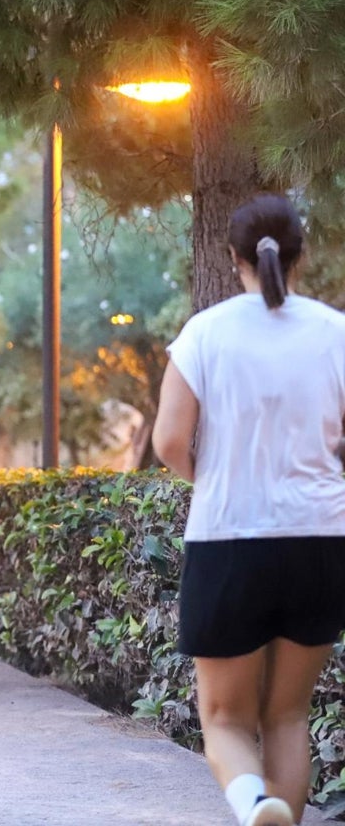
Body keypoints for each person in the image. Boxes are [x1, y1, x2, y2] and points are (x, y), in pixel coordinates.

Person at [152, 193, 345, 826]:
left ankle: (254, 804)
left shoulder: (204, 333)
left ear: (232, 256)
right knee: (287, 714)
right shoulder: (335, 332)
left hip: (227, 538)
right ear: (300, 255)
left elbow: (169, 442)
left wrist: (207, 480)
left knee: (225, 719)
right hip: (320, 541)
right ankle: (275, 810)